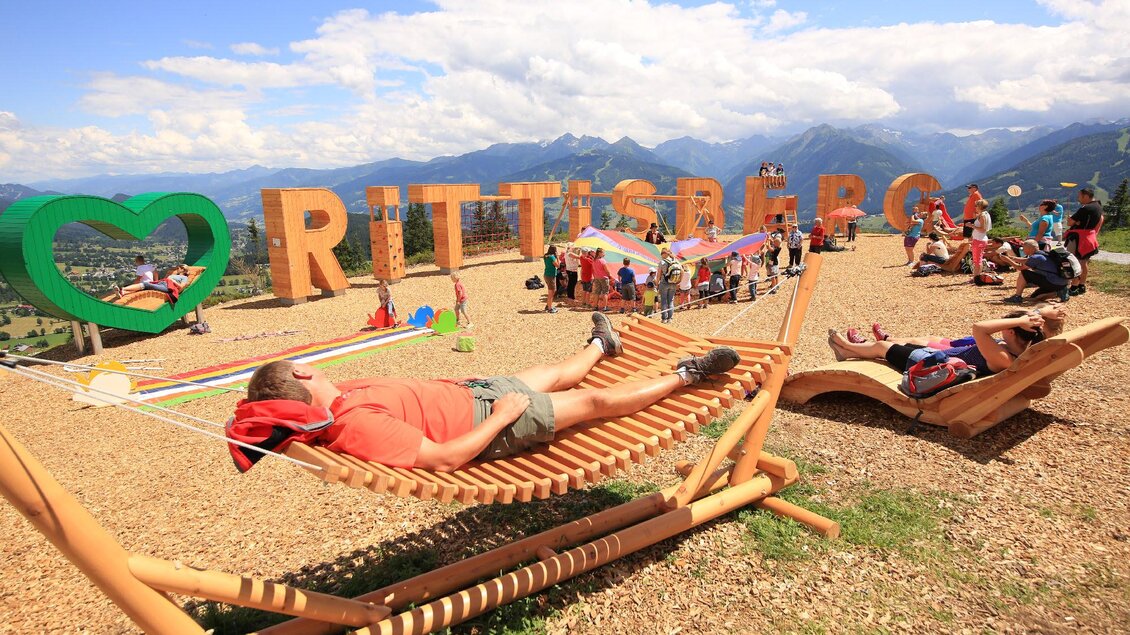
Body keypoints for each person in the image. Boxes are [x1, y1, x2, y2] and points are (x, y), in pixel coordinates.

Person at [230, 314, 741, 471]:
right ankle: (688, 373)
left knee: (554, 371)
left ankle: (599, 345)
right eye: (301, 364)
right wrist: (501, 416)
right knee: (594, 403)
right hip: (489, 420)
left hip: (472, 393)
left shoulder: (343, 397)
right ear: (301, 377)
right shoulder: (353, 424)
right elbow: (444, 459)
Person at [827, 312, 1045, 376]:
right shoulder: (1021, 350)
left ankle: (847, 348)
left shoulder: (1002, 357)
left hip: (937, 366)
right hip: (938, 356)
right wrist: (1040, 316)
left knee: (882, 348)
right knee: (894, 346)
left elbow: (979, 327)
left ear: (1009, 330)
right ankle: (849, 351)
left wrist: (1020, 320)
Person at [859, 302, 1067, 347]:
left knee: (917, 342)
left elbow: (988, 325)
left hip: (972, 351)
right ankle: (888, 338)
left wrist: (1040, 313)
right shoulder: (1036, 342)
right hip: (972, 346)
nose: (1032, 318)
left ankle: (869, 344)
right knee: (931, 337)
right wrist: (1043, 313)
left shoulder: (1032, 339)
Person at [1064, 187, 1104, 296]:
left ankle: (1073, 287)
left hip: (1078, 238)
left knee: (1073, 262)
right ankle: (1081, 285)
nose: (1078, 199)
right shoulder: (1098, 207)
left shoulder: (1085, 208)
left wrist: (1073, 222)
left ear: (1086, 196)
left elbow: (1070, 223)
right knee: (1083, 262)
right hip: (1090, 237)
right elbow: (1099, 220)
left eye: (1079, 196)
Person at [1001, 239, 1069, 303]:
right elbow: (1025, 260)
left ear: (1029, 248)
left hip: (1053, 282)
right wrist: (1011, 257)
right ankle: (1057, 292)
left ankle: (1017, 297)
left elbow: (1020, 268)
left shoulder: (1036, 257)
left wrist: (1008, 261)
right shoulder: (1042, 254)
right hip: (1061, 283)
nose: (1022, 249)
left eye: (1024, 248)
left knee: (1024, 273)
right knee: (1034, 296)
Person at [116, 264, 190, 300]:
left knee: (146, 284)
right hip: (162, 283)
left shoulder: (184, 278)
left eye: (179, 268)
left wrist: (173, 281)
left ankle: (123, 289)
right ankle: (123, 293)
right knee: (144, 288)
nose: (178, 268)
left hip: (167, 287)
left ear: (183, 270)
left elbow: (181, 287)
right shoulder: (174, 274)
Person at [657, 247, 680, 323]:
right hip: (673, 283)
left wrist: (657, 283)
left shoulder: (662, 262)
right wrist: (679, 281)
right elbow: (682, 271)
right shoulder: (675, 261)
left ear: (664, 254)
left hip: (664, 283)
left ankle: (664, 319)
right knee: (670, 301)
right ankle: (670, 318)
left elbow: (659, 275)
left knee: (664, 301)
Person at [970, 198, 992, 278]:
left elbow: (983, 229)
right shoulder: (984, 214)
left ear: (979, 206)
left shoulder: (982, 216)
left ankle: (976, 277)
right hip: (980, 239)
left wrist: (972, 226)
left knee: (977, 261)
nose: (975, 207)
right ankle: (977, 276)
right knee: (978, 259)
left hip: (979, 240)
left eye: (976, 205)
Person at [590, 248, 612, 312]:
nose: (604, 254)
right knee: (605, 292)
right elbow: (606, 270)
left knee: (597, 292)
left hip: (597, 278)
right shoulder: (602, 261)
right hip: (604, 278)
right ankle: (604, 307)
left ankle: (595, 306)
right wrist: (609, 275)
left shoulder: (594, 260)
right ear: (599, 253)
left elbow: (593, 270)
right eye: (603, 253)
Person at [543, 245, 559, 313]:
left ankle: (548, 305)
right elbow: (558, 265)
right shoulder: (552, 257)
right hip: (551, 276)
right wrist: (557, 257)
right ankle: (550, 308)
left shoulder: (546, 256)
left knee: (551, 291)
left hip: (546, 274)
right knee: (551, 292)